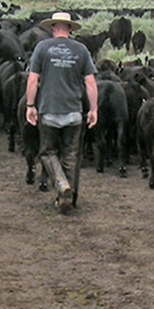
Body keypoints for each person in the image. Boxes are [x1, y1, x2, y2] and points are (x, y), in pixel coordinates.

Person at [24, 11, 98, 212]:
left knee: (47, 152)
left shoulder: (42, 47)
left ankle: (61, 184)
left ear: (54, 28)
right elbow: (90, 82)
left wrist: (30, 106)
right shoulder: (81, 50)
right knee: (71, 156)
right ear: (70, 30)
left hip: (49, 111)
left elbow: (32, 79)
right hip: (74, 112)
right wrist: (93, 109)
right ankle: (68, 199)